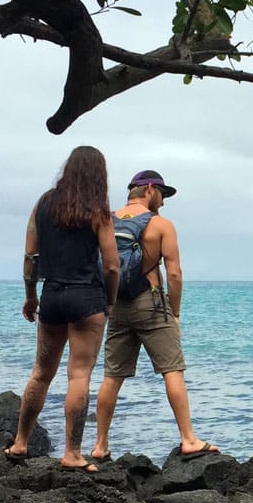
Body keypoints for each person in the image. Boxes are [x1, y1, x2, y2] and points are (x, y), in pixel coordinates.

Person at [88, 170, 219, 464]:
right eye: (163, 194)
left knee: (112, 376)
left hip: (117, 303)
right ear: (149, 190)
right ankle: (188, 439)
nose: (164, 201)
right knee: (172, 370)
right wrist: (175, 313)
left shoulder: (106, 220)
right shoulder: (161, 225)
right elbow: (174, 273)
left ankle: (99, 445)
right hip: (151, 302)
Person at [4, 146, 120, 473]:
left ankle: (20, 443)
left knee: (41, 373)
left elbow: (30, 258)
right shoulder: (99, 211)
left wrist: (31, 296)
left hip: (52, 294)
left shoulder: (43, 204)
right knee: (79, 375)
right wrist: (110, 302)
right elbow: (111, 267)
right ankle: (72, 453)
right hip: (87, 299)